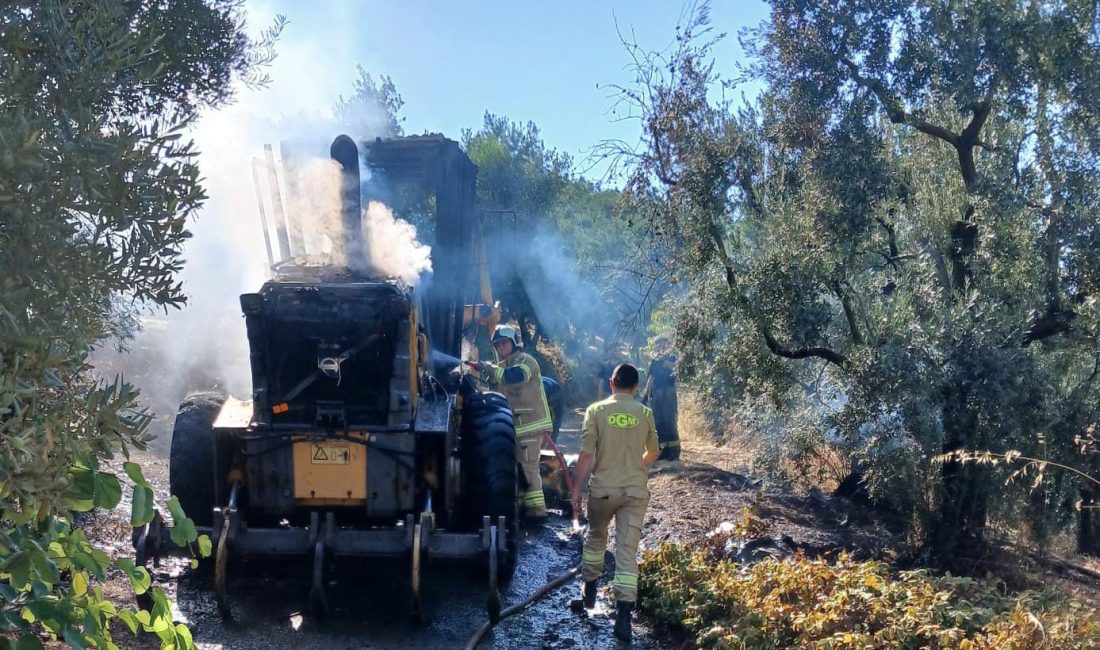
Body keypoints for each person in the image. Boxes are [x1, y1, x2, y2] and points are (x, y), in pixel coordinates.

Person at [570, 363, 659, 642]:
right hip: (634, 492)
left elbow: (586, 455)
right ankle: (623, 617)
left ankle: (589, 595)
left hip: (603, 491)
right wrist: (636, 467)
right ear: (635, 386)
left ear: (611, 383)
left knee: (596, 540)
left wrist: (576, 490)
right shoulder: (645, 413)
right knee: (626, 551)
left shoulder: (596, 411)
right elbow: (654, 452)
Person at [476, 324, 552, 519]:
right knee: (514, 468)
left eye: (504, 343)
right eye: (498, 344)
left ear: (514, 342)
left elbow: (515, 377)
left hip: (530, 426)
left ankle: (537, 512)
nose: (501, 348)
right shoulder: (501, 367)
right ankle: (518, 508)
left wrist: (490, 369)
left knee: (527, 468)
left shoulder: (526, 361)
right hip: (513, 429)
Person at [642, 339, 680, 466]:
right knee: (658, 422)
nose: (662, 348)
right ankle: (661, 452)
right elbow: (651, 379)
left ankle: (673, 452)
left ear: (669, 346)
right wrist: (645, 396)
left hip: (669, 392)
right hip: (657, 393)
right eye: (659, 345)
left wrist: (663, 362)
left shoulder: (673, 358)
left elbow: (676, 367)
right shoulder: (655, 361)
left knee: (670, 420)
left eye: (664, 345)